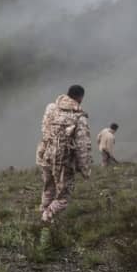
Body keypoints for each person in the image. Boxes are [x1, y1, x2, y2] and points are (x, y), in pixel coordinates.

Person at [36, 85, 92, 223]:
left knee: (48, 187)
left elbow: (44, 129)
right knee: (63, 197)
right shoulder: (79, 117)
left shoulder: (51, 108)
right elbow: (82, 146)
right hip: (64, 161)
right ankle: (46, 219)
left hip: (46, 156)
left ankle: (44, 212)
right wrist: (85, 169)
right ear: (80, 97)